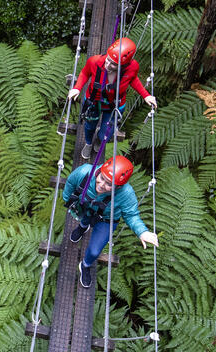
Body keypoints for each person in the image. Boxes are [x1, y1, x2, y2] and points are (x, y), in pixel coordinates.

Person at [62, 155, 158, 288]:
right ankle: (82, 227)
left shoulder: (126, 194)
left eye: (109, 184)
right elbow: (70, 183)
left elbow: (131, 215)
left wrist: (142, 232)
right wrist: (68, 199)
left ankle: (85, 265)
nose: (101, 185)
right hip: (86, 206)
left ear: (119, 186)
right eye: (101, 178)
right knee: (84, 219)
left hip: (106, 219)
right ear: (99, 171)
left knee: (95, 251)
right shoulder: (84, 172)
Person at [68, 38, 158, 159]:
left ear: (124, 64)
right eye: (108, 60)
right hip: (93, 101)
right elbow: (85, 73)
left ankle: (99, 141)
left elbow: (133, 79)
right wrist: (77, 88)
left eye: (113, 64)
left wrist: (145, 95)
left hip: (115, 105)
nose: (108, 65)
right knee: (89, 126)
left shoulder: (132, 67)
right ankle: (88, 143)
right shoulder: (95, 61)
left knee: (107, 132)